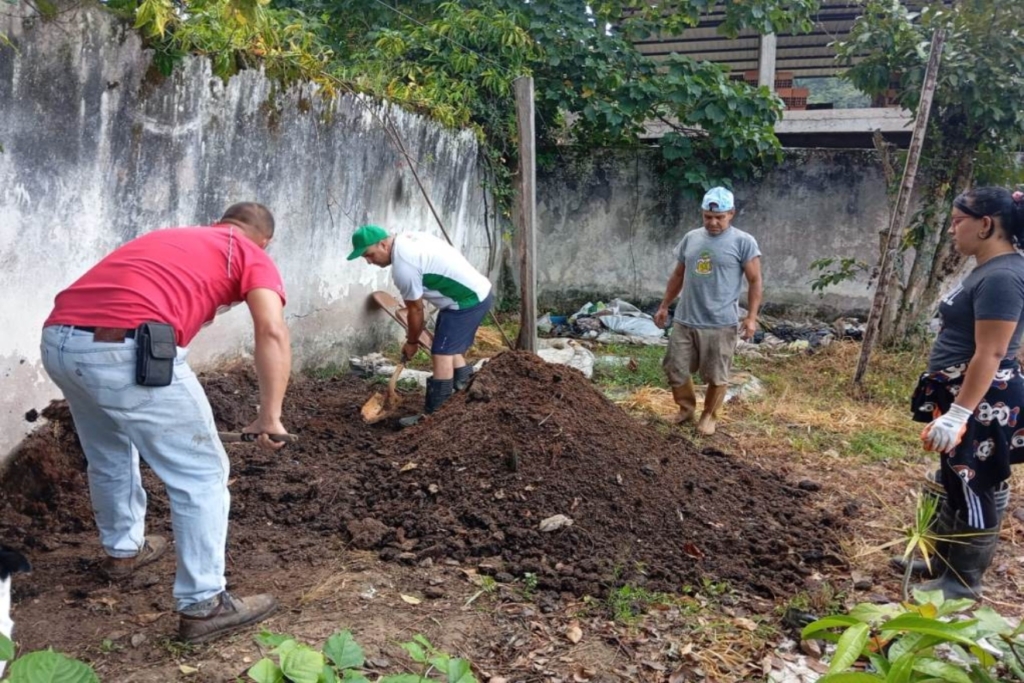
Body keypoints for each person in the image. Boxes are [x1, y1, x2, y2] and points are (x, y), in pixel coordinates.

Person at [40, 202, 292, 643]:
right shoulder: (251, 252)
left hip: (60, 340)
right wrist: (269, 414)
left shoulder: (176, 237)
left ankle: (124, 552)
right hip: (126, 350)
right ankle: (204, 604)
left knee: (109, 453)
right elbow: (271, 330)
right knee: (202, 474)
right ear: (265, 240)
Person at [909, 186, 1024, 599]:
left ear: (986, 224)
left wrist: (960, 413)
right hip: (966, 392)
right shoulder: (988, 270)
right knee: (954, 477)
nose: (953, 230)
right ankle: (941, 561)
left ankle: (963, 582)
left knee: (977, 481)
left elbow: (993, 351)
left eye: (959, 222)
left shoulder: (1004, 276)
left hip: (982, 399)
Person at [348, 225, 493, 417]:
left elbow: (416, 310)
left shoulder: (403, 267)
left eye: (369, 255)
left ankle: (434, 417)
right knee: (449, 347)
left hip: (468, 300)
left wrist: (412, 342)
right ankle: (465, 392)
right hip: (467, 296)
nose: (368, 261)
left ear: (383, 245)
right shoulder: (407, 237)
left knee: (441, 354)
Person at [653, 187, 762, 436]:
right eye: (707, 217)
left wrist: (751, 317)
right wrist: (664, 305)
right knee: (674, 367)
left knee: (716, 374)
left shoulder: (744, 242)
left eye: (719, 217)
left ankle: (709, 415)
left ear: (731, 213)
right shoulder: (691, 238)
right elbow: (678, 274)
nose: (713, 222)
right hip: (685, 318)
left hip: (720, 322)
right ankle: (686, 408)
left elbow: (755, 281)